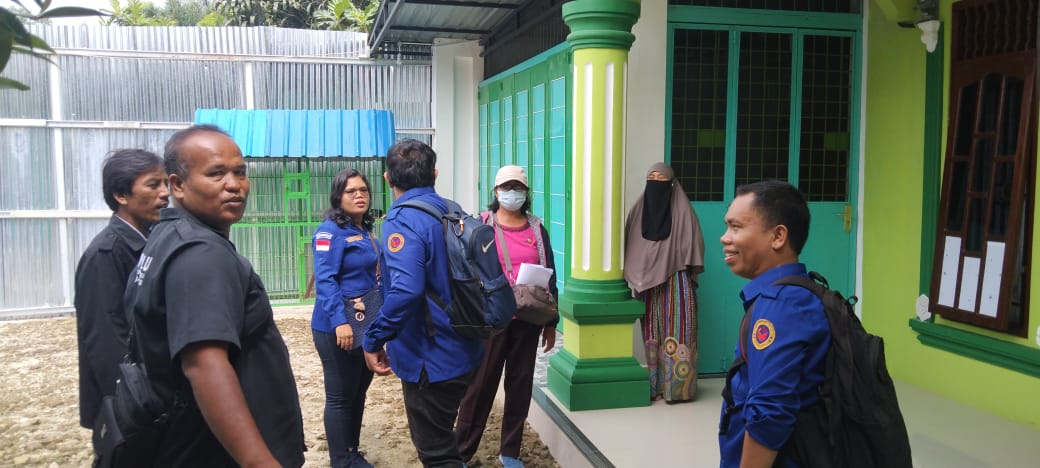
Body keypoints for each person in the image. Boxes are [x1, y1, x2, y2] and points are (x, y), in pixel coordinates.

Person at [123, 124, 305, 467]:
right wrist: (259, 462)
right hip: (219, 452)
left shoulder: (168, 236)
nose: (234, 184)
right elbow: (204, 365)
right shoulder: (201, 253)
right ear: (178, 184)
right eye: (216, 173)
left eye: (240, 172)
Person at [362, 139, 481, 468]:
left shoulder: (402, 221)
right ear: (435, 174)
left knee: (436, 453)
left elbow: (405, 292)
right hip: (466, 346)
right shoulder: (452, 209)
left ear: (387, 178)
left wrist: (373, 339)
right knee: (443, 436)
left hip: (432, 357)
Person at [717, 180, 831, 468]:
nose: (724, 238)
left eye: (736, 227)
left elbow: (770, 412)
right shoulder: (798, 292)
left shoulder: (781, 305)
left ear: (778, 236)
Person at [455, 165, 558, 468]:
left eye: (518, 188)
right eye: (506, 187)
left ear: (526, 193)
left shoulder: (536, 229)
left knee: (520, 384)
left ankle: (510, 451)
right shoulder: (481, 225)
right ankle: (461, 452)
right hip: (490, 320)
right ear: (495, 191)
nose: (512, 193)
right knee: (480, 386)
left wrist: (551, 323)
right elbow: (465, 269)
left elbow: (550, 274)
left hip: (527, 319)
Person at [75, 149, 169, 429]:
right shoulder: (105, 254)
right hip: (132, 408)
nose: (165, 193)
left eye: (166, 183)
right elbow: (106, 340)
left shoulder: (152, 242)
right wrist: (135, 404)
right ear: (121, 195)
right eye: (153, 185)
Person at [311, 168, 379, 468]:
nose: (359, 195)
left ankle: (351, 450)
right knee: (340, 395)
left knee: (358, 390)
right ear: (338, 197)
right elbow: (325, 280)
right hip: (335, 327)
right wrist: (340, 321)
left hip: (363, 323)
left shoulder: (363, 230)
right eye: (351, 191)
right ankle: (341, 460)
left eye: (363, 190)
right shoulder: (329, 232)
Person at [623, 162, 705, 403]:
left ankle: (679, 390)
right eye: (652, 179)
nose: (656, 184)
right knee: (652, 330)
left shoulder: (685, 213)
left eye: (662, 180)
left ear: (672, 184)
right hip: (648, 286)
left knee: (679, 329)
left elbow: (694, 247)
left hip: (677, 280)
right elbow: (631, 247)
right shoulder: (637, 213)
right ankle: (655, 387)